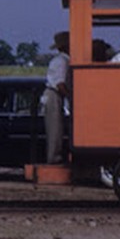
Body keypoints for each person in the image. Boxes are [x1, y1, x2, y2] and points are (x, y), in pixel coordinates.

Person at [43, 31, 72, 164]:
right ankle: (54, 158)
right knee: (55, 128)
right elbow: (60, 84)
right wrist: (71, 97)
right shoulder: (62, 61)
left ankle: (55, 156)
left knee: (57, 127)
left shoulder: (62, 60)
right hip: (54, 94)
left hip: (55, 95)